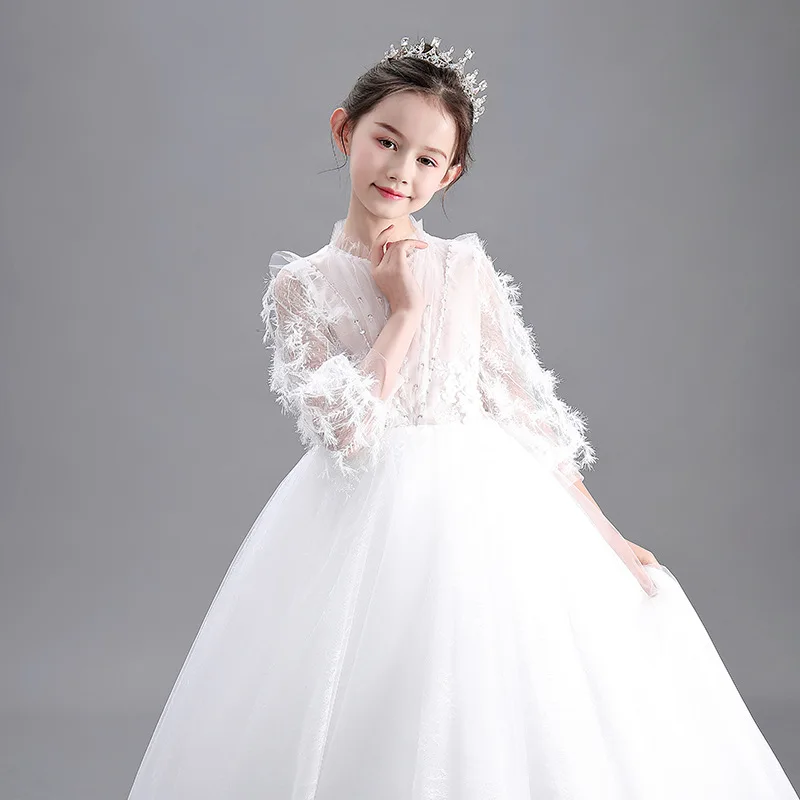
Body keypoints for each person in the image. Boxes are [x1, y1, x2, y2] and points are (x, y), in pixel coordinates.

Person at [127, 35, 799, 799]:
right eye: (387, 142)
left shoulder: (464, 268)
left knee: (501, 697)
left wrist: (606, 538)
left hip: (491, 515)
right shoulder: (302, 288)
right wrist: (404, 313)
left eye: (426, 159)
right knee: (377, 704)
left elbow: (525, 413)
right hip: (368, 529)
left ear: (449, 174)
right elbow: (347, 434)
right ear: (345, 131)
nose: (400, 171)